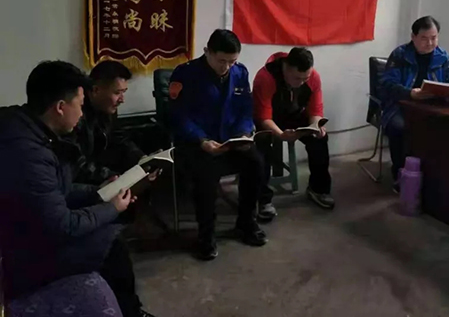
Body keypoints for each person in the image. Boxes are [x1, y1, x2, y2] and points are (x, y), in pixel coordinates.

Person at [0, 61, 153, 317]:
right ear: (61, 107)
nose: (82, 115)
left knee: (111, 237)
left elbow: (58, 188)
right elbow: (64, 226)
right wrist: (111, 208)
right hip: (21, 255)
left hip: (30, 231)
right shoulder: (29, 154)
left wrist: (97, 192)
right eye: (80, 106)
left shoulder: (28, 127)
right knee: (111, 243)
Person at [169, 29, 267, 261]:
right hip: (197, 143)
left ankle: (246, 222)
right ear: (207, 52)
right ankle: (206, 234)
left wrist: (243, 133)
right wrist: (201, 140)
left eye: (232, 61)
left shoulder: (240, 72)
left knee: (256, 163)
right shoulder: (185, 73)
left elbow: (245, 109)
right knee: (206, 174)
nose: (227, 67)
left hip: (230, 140)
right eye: (222, 61)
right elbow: (178, 116)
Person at [253, 48, 334, 217]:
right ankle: (263, 199)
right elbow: (263, 117)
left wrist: (316, 126)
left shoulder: (313, 76)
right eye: (297, 78)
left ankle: (318, 189)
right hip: (269, 119)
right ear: (286, 68)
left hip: (294, 115)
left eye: (306, 78)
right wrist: (281, 134)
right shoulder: (266, 77)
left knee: (319, 138)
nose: (302, 82)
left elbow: (315, 110)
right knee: (261, 143)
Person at [380, 16, 449, 185]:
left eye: (434, 38)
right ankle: (400, 174)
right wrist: (409, 93)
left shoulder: (442, 56)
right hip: (400, 106)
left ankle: (435, 176)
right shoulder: (400, 55)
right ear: (413, 37)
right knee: (399, 128)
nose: (430, 43)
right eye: (424, 38)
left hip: (433, 106)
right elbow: (387, 84)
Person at [72, 61, 145, 185]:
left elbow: (120, 139)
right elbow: (78, 165)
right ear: (96, 90)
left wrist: (141, 159)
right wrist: (114, 177)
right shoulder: (75, 114)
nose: (122, 100)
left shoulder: (107, 106)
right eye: (117, 93)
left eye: (123, 92)